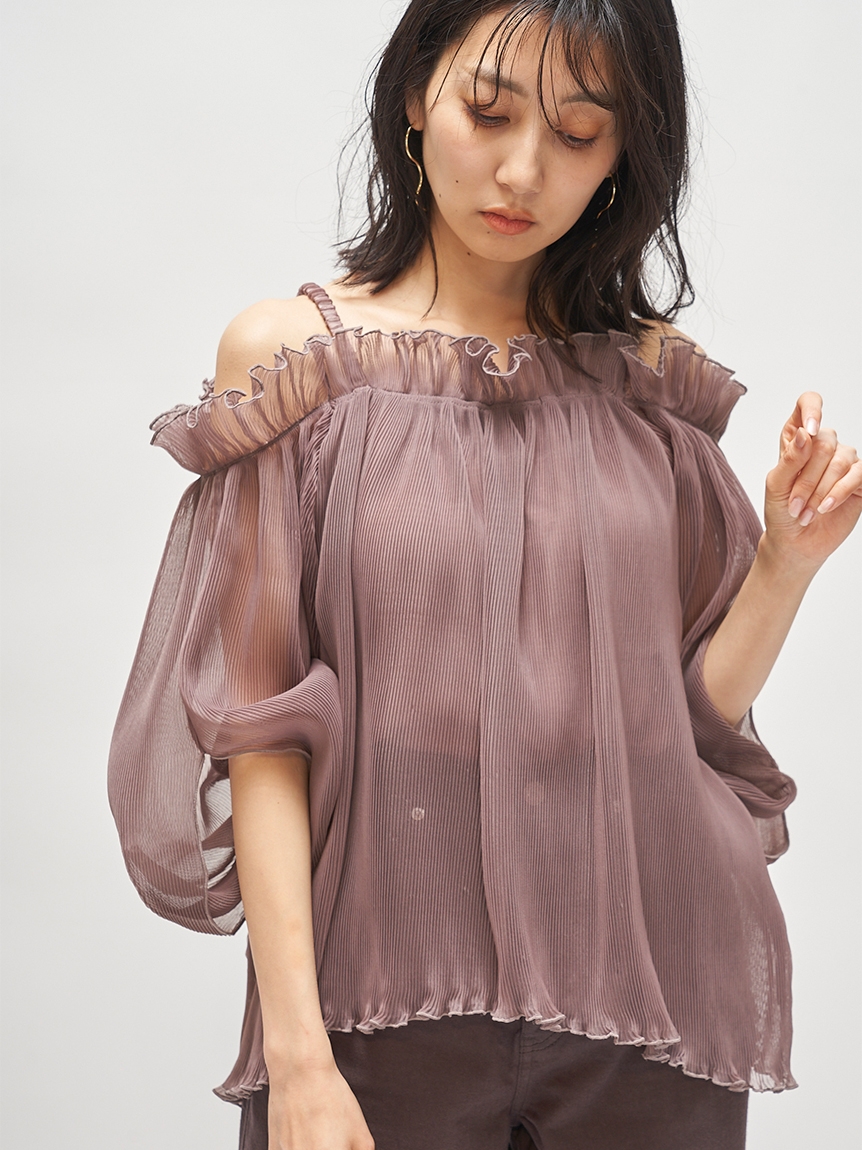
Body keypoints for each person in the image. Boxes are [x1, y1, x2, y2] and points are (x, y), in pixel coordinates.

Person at [107, 1, 862, 1148]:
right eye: (490, 111)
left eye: (578, 131)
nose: (522, 172)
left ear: (625, 150)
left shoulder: (649, 377)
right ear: (416, 95)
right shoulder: (293, 364)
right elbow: (260, 732)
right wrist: (297, 1055)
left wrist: (784, 563)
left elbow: (686, 718)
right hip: (381, 1005)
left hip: (648, 1001)